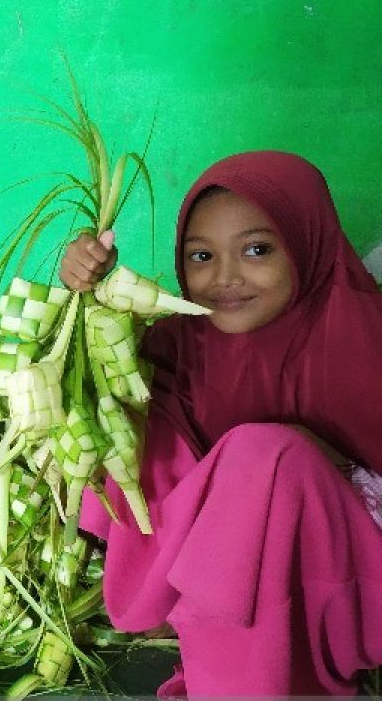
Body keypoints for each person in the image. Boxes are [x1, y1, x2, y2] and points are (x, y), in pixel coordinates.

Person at [61, 151, 382, 696]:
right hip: (224, 575)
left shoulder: (363, 341)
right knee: (132, 418)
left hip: (344, 583)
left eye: (257, 250)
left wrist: (326, 467)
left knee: (265, 457)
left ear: (308, 243)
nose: (225, 278)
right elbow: (88, 385)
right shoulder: (184, 344)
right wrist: (84, 291)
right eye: (201, 255)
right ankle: (194, 625)